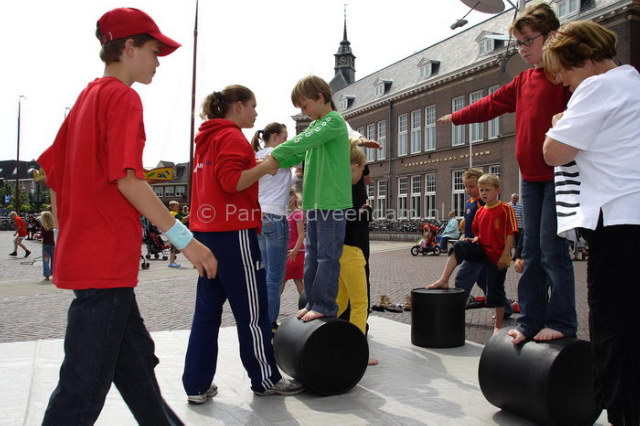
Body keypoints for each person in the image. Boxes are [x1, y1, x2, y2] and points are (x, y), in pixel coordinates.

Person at [36, 8, 217, 425]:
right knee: (81, 390)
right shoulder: (123, 97)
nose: (158, 62)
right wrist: (185, 240)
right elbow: (128, 180)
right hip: (107, 263)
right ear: (129, 47)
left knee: (136, 370)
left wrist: (67, 235)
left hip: (91, 259)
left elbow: (53, 174)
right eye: (154, 51)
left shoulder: (86, 98)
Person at [437, 3, 575, 344]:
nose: (523, 49)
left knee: (552, 250)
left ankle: (562, 321)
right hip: (530, 178)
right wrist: (457, 117)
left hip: (558, 174)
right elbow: (491, 103)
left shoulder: (565, 77)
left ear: (552, 36)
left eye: (529, 41)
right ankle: (530, 319)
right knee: (531, 253)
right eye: (518, 43)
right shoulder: (523, 79)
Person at [541, 20, 640, 425]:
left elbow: (553, 153)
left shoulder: (598, 87)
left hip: (617, 222)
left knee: (614, 329)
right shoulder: (632, 83)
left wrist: (558, 124)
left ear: (580, 60)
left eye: (562, 73)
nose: (563, 84)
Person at [182, 85, 303, 403]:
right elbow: (231, 181)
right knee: (252, 310)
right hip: (233, 232)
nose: (256, 113)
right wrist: (266, 167)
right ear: (237, 106)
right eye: (252, 106)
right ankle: (265, 378)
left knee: (207, 311)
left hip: (206, 233)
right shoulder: (232, 136)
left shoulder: (205, 139)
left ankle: (196, 385)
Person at [271, 75, 352, 322]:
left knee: (327, 257)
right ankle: (313, 302)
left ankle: (325, 305)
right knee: (312, 254)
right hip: (314, 202)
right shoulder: (317, 126)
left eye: (304, 106)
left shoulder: (334, 121)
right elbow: (296, 154)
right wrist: (271, 162)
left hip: (332, 202)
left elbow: (301, 141)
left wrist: (274, 154)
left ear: (320, 97)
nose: (303, 112)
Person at [427, 174, 517, 333]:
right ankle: (444, 280)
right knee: (459, 247)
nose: (483, 193)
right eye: (481, 190)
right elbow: (478, 233)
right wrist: (474, 239)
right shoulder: (479, 210)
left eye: (487, 190)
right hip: (481, 250)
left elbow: (510, 233)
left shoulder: (505, 208)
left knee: (494, 290)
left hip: (497, 256)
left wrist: (506, 255)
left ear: (498, 190)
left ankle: (498, 325)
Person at [251, 122, 292, 330]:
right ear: (275, 136)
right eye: (284, 137)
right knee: (275, 277)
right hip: (275, 216)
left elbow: (278, 182)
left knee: (264, 273)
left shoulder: (256, 156)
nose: (287, 141)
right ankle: (269, 324)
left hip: (260, 216)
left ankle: (260, 319)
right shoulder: (279, 154)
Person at [283, 189, 304, 295]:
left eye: (290, 195)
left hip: (296, 252)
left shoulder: (297, 213)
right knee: (286, 280)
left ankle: (272, 303)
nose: (288, 199)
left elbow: (301, 235)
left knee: (296, 280)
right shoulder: (285, 214)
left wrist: (295, 251)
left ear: (295, 197)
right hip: (286, 252)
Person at [39, 211, 55, 281]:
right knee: (53, 260)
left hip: (46, 246)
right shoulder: (53, 227)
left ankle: (47, 276)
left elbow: (43, 236)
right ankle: (54, 274)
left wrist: (37, 236)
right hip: (53, 245)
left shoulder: (43, 227)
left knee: (46, 261)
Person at [167, 200, 183, 268]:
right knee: (173, 248)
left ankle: (172, 261)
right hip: (174, 232)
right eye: (177, 206)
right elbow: (183, 220)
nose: (178, 208)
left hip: (170, 231)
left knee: (173, 248)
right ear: (173, 207)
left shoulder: (170, 213)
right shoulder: (175, 214)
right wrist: (190, 215)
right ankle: (172, 262)